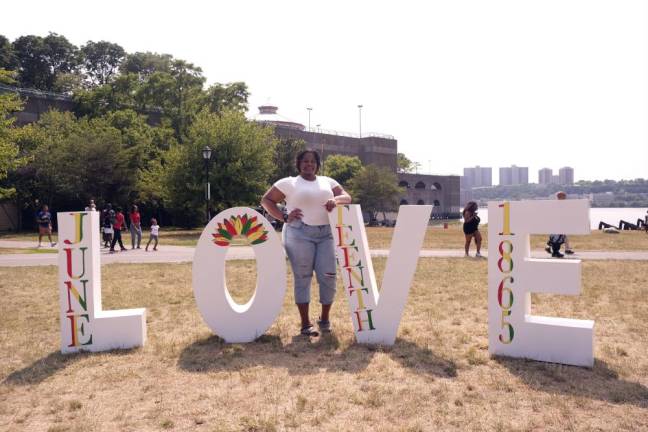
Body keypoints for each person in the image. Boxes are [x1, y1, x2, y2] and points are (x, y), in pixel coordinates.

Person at [261, 149, 352, 337]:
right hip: (299, 233)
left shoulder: (328, 181)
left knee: (328, 275)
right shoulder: (289, 182)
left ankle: (324, 318)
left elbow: (347, 197)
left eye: (312, 161)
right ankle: (305, 324)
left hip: (326, 234)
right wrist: (283, 216)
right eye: (304, 161)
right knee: (302, 277)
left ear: (317, 164)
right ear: (298, 164)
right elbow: (266, 200)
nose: (308, 164)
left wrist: (335, 200)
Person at [545, 191, 574, 258]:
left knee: (561, 237)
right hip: (557, 224)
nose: (565, 198)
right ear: (560, 197)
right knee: (557, 238)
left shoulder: (559, 204)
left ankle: (565, 249)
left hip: (559, 224)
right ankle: (556, 252)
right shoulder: (557, 204)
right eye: (564, 196)